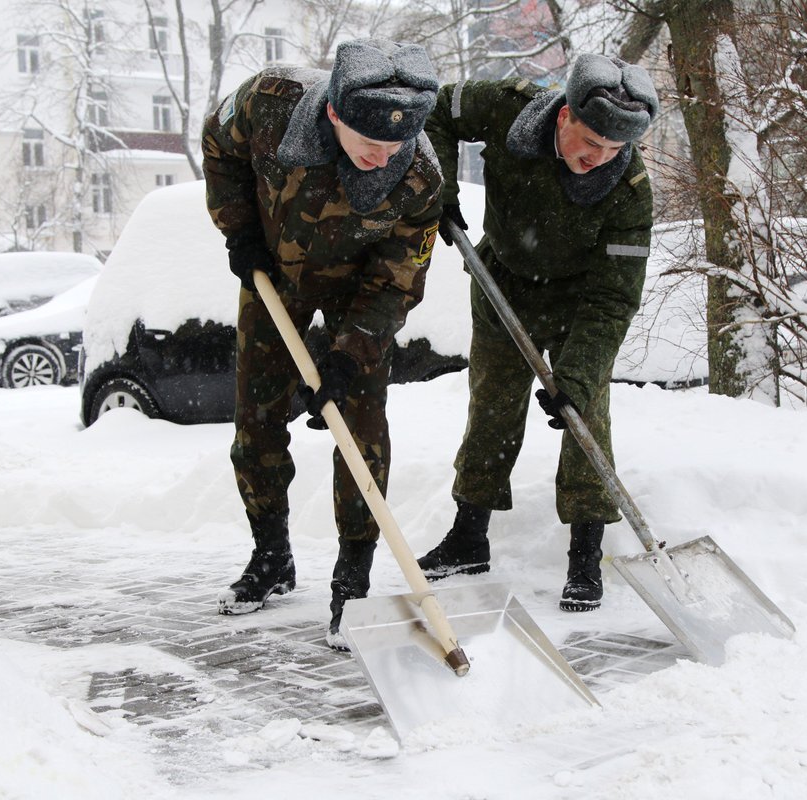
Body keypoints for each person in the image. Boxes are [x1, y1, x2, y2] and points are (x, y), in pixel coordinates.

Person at [202, 39, 443, 649]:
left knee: (359, 432)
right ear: (334, 113)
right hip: (273, 276)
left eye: (395, 145)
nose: (382, 157)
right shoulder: (270, 102)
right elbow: (218, 146)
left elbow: (396, 282)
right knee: (255, 422)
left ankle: (352, 582)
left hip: (355, 294)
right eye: (369, 142)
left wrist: (347, 354)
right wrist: (240, 231)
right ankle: (271, 556)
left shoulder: (418, 178)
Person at [417, 54, 658, 611]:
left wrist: (577, 373)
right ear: (565, 114)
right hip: (503, 278)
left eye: (614, 150)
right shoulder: (509, 107)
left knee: (585, 416)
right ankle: (469, 536)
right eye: (591, 140)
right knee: (492, 407)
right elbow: (434, 111)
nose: (597, 159)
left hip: (580, 297)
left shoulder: (630, 192)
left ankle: (585, 554)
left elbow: (615, 295)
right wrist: (440, 186)